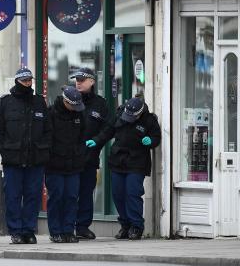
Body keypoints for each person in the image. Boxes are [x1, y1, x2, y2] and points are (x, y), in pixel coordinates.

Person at [0, 66, 52, 245]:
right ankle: (15, 231)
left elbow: (48, 130)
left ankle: (28, 230)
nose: (27, 83)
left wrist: (44, 148)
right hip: (13, 159)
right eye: (24, 81)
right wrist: (4, 148)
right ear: (17, 81)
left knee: (33, 196)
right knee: (13, 196)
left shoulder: (39, 102)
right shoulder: (6, 103)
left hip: (35, 159)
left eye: (30, 80)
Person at [88, 96, 161, 240]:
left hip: (137, 162)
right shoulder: (120, 114)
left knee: (132, 193)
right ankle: (125, 225)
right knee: (118, 194)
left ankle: (136, 226)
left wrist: (150, 141)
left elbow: (156, 137)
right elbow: (108, 131)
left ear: (140, 113)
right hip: (118, 160)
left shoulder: (149, 120)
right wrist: (96, 141)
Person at [70, 67, 109, 240]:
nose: (78, 82)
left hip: (89, 157)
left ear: (92, 81)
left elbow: (108, 128)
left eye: (82, 80)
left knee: (86, 193)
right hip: (70, 157)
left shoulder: (100, 103)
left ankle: (83, 226)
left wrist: (98, 140)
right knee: (70, 193)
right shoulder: (69, 100)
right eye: (76, 80)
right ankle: (67, 226)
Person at [45, 86, 86, 243]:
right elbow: (47, 138)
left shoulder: (79, 115)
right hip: (55, 165)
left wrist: (80, 154)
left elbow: (82, 135)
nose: (75, 109)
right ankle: (55, 231)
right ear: (65, 101)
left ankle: (68, 230)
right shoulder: (51, 114)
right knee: (56, 197)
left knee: (71, 197)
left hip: (74, 164)